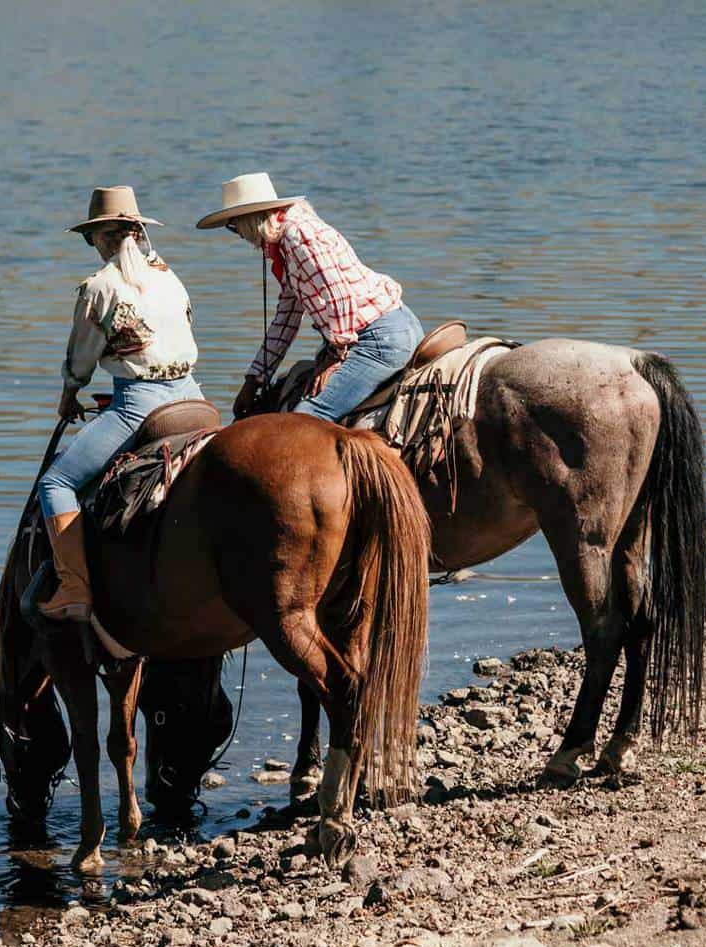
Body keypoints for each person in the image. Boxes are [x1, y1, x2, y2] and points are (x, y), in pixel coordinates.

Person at [37, 186, 202, 621]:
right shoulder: (169, 275)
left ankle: (74, 589)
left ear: (102, 239)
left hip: (141, 405)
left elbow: (80, 360)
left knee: (56, 485)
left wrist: (69, 396)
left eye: (91, 238)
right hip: (194, 396)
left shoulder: (100, 286)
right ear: (138, 232)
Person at [197, 172, 422, 421]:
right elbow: (286, 319)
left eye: (234, 225)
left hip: (378, 338)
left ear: (249, 220)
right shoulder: (287, 242)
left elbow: (339, 295)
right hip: (390, 326)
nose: (238, 233)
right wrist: (256, 377)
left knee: (305, 418)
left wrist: (336, 356)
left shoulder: (298, 236)